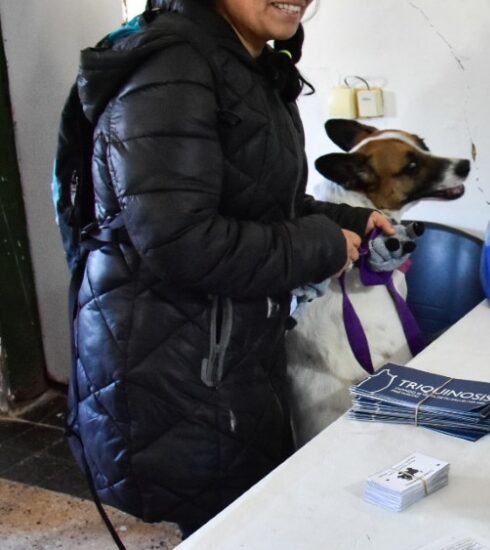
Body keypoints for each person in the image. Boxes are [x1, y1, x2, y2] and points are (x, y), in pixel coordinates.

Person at [62, 0, 395, 534]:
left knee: (250, 521)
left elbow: (257, 200)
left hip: (224, 358)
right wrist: (322, 246)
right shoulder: (172, 65)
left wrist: (350, 219)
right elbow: (179, 239)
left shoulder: (246, 60)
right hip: (169, 372)